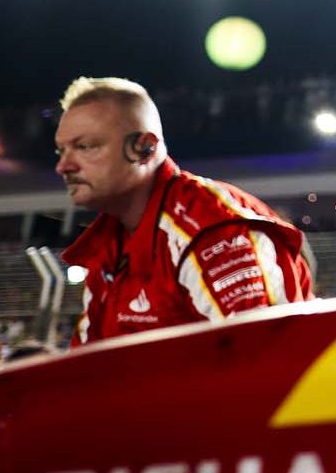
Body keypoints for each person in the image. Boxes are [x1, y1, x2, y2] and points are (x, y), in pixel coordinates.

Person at [53, 78, 313, 345]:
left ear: (144, 148)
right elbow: (88, 370)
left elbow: (263, 358)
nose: (64, 166)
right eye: (61, 151)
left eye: (85, 146)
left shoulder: (213, 228)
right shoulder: (107, 245)